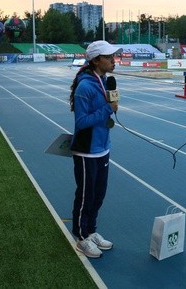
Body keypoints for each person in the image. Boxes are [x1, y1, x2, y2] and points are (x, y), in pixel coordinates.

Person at [68, 40, 122, 258]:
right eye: (109, 57)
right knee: (85, 196)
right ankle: (81, 237)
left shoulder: (103, 80)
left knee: (98, 195)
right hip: (86, 151)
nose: (113, 60)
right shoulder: (85, 86)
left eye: (113, 56)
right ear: (96, 60)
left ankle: (91, 231)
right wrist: (107, 110)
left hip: (102, 147)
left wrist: (109, 109)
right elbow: (81, 122)